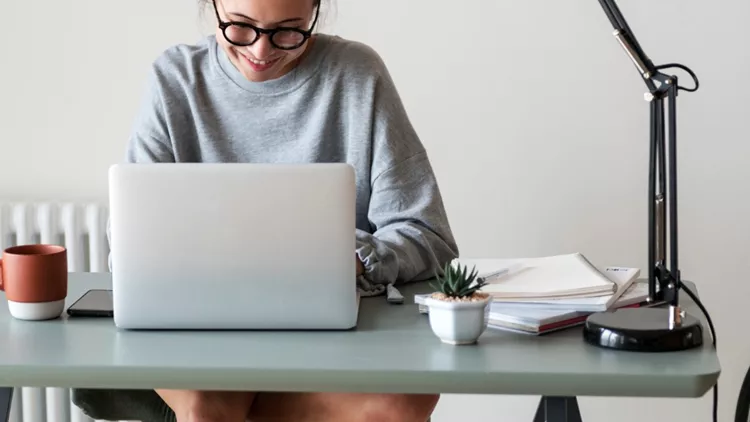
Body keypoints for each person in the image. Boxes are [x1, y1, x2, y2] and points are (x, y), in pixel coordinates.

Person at [110, 0, 459, 420]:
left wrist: (354, 261)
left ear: (315, 12)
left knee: (401, 403)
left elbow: (427, 234)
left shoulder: (357, 75)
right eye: (240, 27)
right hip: (196, 323)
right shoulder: (175, 78)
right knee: (207, 405)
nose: (260, 52)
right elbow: (135, 237)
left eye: (289, 31)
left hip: (329, 329)